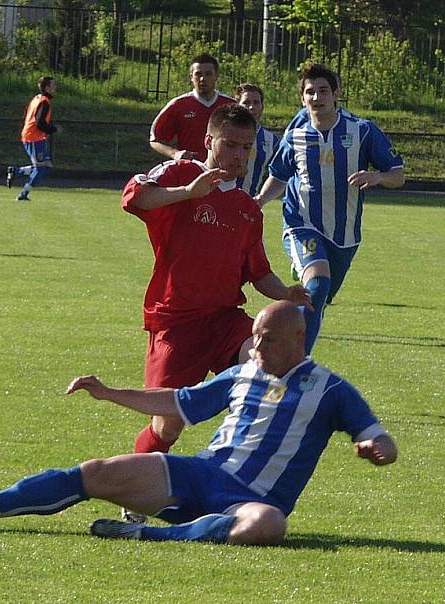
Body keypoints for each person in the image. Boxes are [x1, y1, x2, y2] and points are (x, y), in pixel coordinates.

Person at [0, 301, 398, 546]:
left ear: (299, 339)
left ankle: (145, 534)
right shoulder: (243, 372)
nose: (256, 349)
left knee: (270, 525)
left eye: (267, 341)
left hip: (250, 502)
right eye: (254, 338)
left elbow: (382, 439)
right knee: (99, 471)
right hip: (198, 474)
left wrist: (375, 450)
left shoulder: (332, 390)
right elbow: (178, 401)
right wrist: (110, 393)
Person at [121, 105, 311, 514]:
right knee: (166, 425)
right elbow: (135, 196)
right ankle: (135, 491)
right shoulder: (179, 176)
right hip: (175, 322)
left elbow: (257, 274)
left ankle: (237, 475)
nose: (239, 155)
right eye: (230, 144)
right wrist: (188, 193)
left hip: (225, 321)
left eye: (247, 147)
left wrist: (287, 293)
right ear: (209, 142)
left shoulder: (246, 208)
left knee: (271, 365)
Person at [254, 64, 404, 354]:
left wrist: (377, 177)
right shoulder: (295, 135)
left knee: (319, 298)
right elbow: (280, 176)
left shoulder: (362, 131)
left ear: (336, 94)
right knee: (319, 284)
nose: (316, 97)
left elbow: (398, 175)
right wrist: (259, 200)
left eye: (323, 90)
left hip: (344, 235)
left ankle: (290, 331)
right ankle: (297, 362)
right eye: (310, 92)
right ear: (302, 99)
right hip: (301, 224)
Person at [149, 53, 235, 163]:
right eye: (198, 74)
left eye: (208, 74)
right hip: (190, 170)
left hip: (224, 171)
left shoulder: (230, 105)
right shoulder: (178, 105)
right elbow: (155, 140)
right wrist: (175, 153)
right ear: (191, 77)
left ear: (216, 75)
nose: (203, 78)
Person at [6, 76, 60, 202]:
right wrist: (53, 129)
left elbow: (28, 115)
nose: (55, 87)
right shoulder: (44, 102)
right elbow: (40, 123)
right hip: (33, 137)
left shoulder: (37, 98)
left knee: (47, 166)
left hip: (34, 136)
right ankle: (23, 194)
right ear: (47, 87)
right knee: (40, 169)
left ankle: (16, 172)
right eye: (53, 85)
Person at [234, 83, 279, 197]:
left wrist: (263, 196)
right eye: (246, 102)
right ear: (237, 105)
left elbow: (280, 174)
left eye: (256, 102)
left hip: (251, 202)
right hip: (222, 199)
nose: (251, 107)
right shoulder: (224, 133)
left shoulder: (272, 141)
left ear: (262, 107)